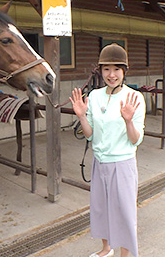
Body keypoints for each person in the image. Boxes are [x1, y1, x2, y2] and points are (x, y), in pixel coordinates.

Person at [69, 43, 146, 257]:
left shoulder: (135, 98)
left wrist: (129, 121)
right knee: (101, 208)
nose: (111, 74)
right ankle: (106, 248)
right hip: (99, 162)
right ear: (100, 71)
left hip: (122, 164)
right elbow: (90, 135)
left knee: (124, 213)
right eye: (106, 69)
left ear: (124, 71)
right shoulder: (94, 96)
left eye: (117, 69)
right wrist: (82, 116)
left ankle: (125, 254)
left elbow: (135, 140)